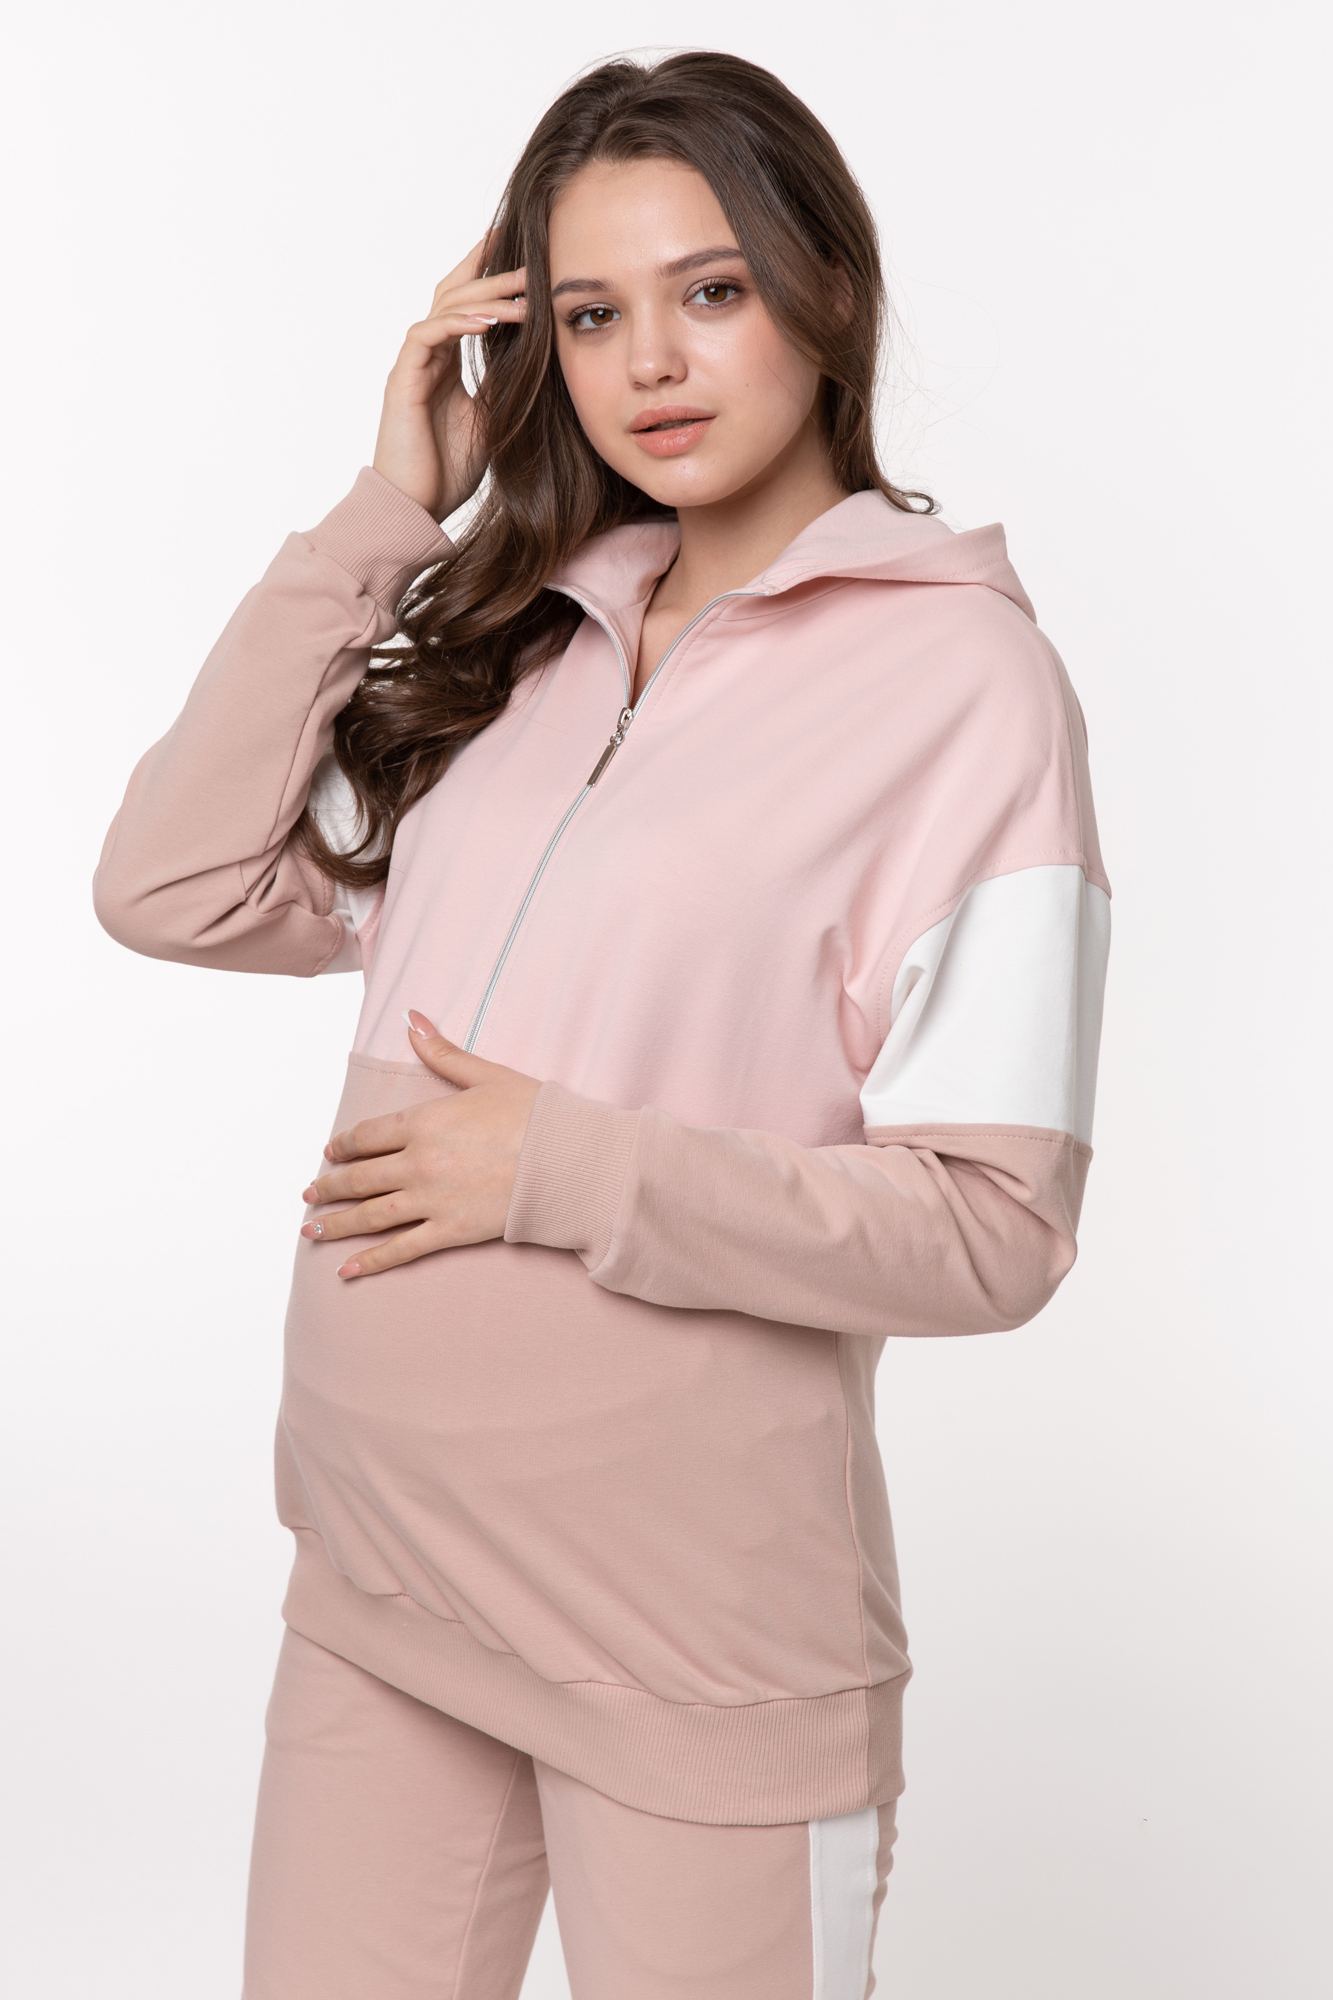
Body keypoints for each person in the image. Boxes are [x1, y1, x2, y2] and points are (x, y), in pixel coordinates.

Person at [94, 48, 1110, 2000]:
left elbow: (995, 1228)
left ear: (824, 288)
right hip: (381, 1590)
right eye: (586, 313)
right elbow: (172, 882)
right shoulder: (522, 642)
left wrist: (561, 1167)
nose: (649, 360)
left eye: (708, 290)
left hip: (692, 1649)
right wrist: (389, 512)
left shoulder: (965, 686)